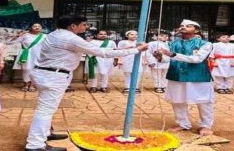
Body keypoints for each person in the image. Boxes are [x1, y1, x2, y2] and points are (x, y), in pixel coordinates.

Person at [24, 15, 149, 151]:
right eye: (84, 24)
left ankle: (45, 133)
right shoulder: (70, 38)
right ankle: (35, 145)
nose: (86, 27)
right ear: (73, 26)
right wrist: (136, 50)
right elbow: (102, 52)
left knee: (46, 107)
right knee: (45, 110)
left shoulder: (54, 34)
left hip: (45, 73)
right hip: (53, 76)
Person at [155, 19, 216, 136]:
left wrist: (173, 55)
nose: (183, 27)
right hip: (176, 75)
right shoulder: (172, 43)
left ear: (196, 30)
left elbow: (198, 59)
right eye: (182, 25)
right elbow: (166, 59)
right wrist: (159, 57)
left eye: (188, 26)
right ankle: (183, 124)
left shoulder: (205, 44)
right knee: (177, 100)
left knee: (204, 101)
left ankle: (206, 125)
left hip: (198, 76)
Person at [14, 23, 46, 92]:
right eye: (35, 26)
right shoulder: (25, 35)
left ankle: (32, 84)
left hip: (38, 55)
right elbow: (15, 42)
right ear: (31, 27)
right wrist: (18, 35)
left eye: (39, 26)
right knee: (26, 69)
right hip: (27, 54)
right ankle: (25, 84)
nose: (37, 27)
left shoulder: (44, 36)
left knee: (35, 70)